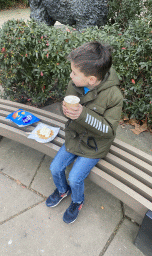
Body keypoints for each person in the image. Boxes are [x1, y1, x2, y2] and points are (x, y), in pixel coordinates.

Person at [46, 41, 123, 224]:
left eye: (74, 73)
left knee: (74, 178)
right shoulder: (75, 84)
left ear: (92, 80)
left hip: (95, 146)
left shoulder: (113, 96)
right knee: (55, 168)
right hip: (74, 137)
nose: (70, 75)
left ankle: (78, 201)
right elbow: (66, 107)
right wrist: (65, 110)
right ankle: (62, 190)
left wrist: (82, 115)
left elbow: (109, 131)